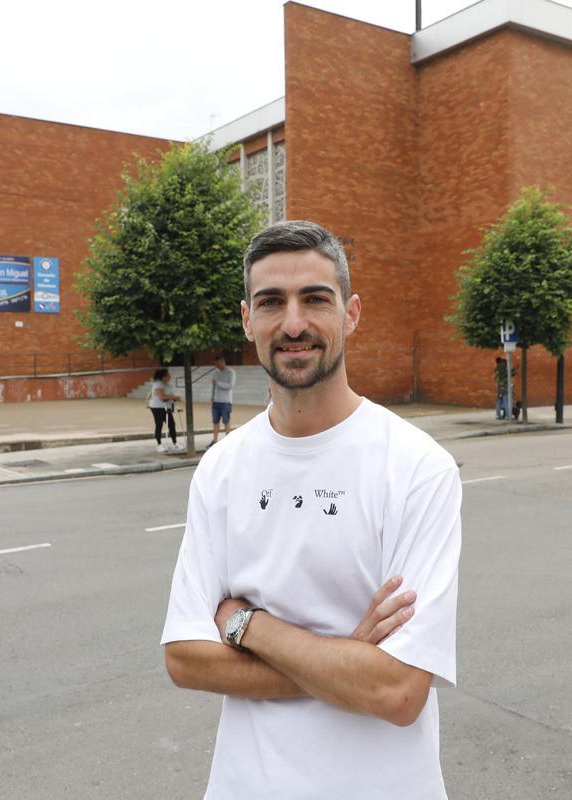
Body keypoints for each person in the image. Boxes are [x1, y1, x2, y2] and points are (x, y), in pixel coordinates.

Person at [161, 220, 461, 799]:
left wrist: (246, 624)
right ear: (247, 319)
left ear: (350, 313)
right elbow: (184, 660)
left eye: (315, 299)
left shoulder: (417, 468)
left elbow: (398, 692)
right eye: (271, 302)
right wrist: (347, 658)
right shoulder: (222, 470)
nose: (293, 323)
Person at [148, 368, 184, 453]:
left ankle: (174, 443)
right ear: (163, 377)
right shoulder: (158, 384)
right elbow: (162, 397)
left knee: (171, 424)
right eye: (168, 375)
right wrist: (174, 397)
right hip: (158, 407)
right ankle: (159, 445)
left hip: (167, 407)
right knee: (159, 424)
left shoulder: (167, 385)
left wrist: (174, 399)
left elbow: (169, 395)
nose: (170, 377)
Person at [208, 355, 236, 448]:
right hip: (216, 401)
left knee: (226, 421)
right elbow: (213, 386)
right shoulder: (215, 373)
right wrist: (212, 397)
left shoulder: (231, 372)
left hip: (226, 402)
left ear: (222, 362)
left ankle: (228, 441)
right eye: (215, 363)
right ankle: (215, 440)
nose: (216, 365)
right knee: (215, 421)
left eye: (217, 363)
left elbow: (230, 386)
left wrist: (218, 383)